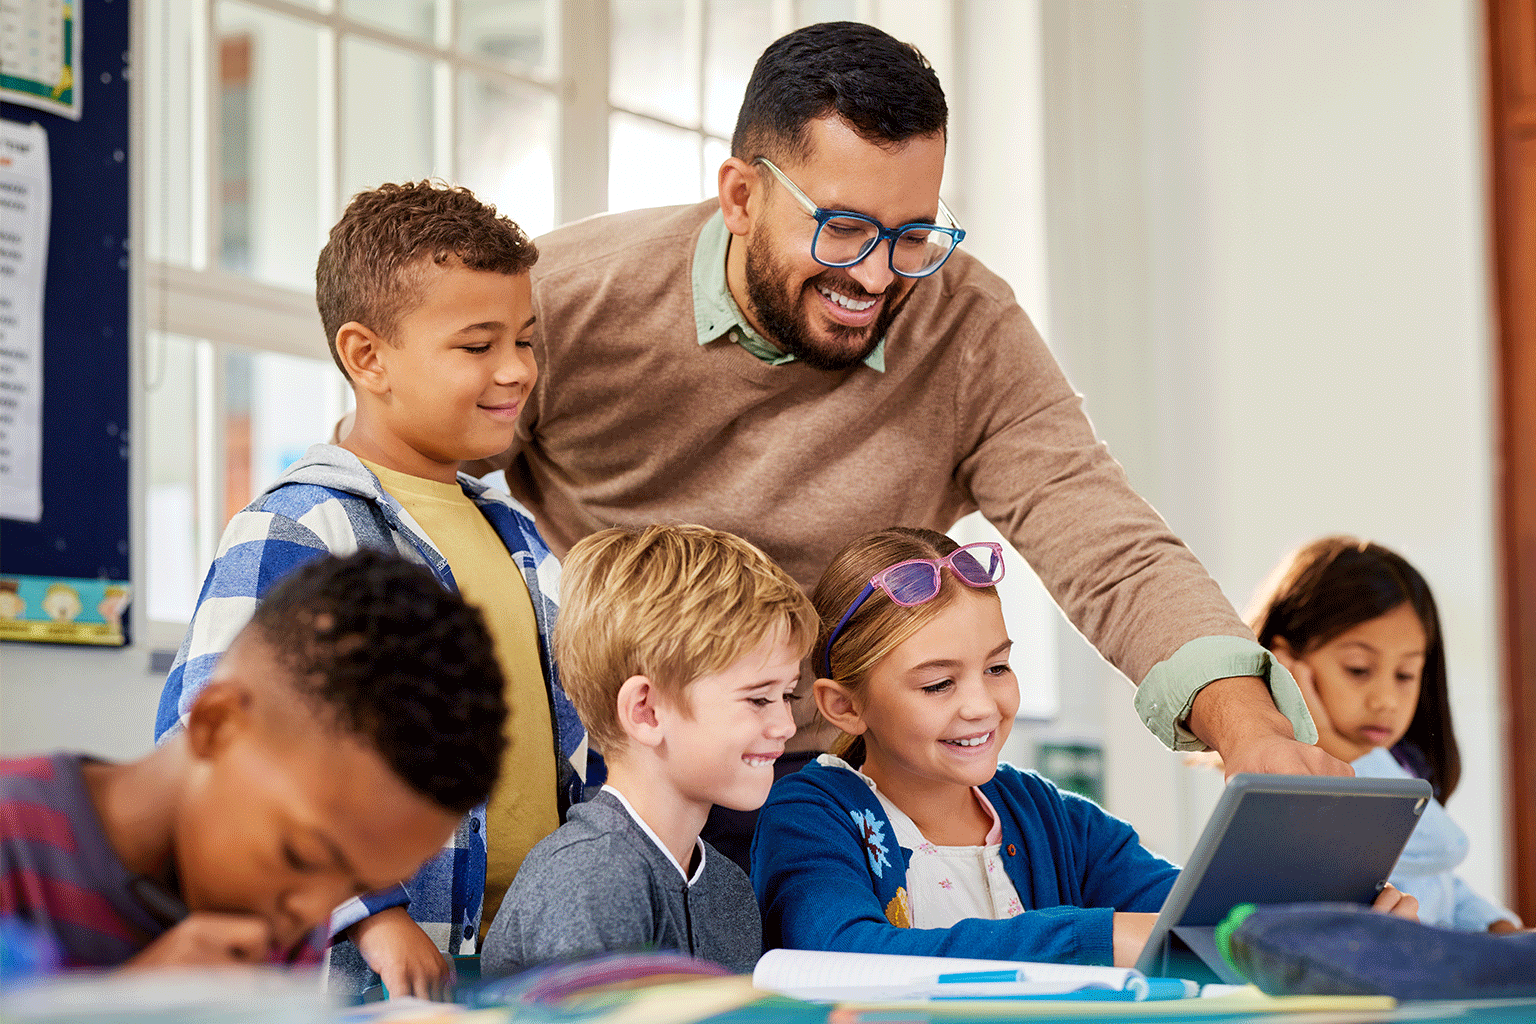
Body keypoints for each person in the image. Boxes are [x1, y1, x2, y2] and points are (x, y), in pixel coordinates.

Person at [475, 21, 1339, 836]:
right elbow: (418, 503)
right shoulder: (564, 300)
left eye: (913, 234)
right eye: (845, 229)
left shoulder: (966, 327)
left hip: (841, 785)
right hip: (615, 778)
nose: (880, 275)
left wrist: (1250, 732)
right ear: (740, 196)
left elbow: (1107, 543)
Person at [154, 181, 586, 997]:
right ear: (367, 356)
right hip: (374, 972)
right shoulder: (297, 530)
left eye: (526, 340)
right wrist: (368, 911)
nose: (516, 370)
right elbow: (210, 749)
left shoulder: (521, 539)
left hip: (519, 961)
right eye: (476, 345)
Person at [751, 528, 1419, 967]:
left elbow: (1190, 919)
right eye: (937, 683)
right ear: (844, 705)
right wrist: (1097, 937)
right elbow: (841, 954)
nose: (982, 704)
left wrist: (1320, 918)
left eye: (998, 667)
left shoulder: (1050, 818)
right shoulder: (811, 812)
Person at [1, 551, 504, 973]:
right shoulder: (14, 840)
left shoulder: (282, 917)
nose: (310, 913)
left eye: (358, 887)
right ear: (215, 723)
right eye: (301, 856)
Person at [482, 525, 817, 974]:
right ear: (646, 711)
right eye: (759, 698)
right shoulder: (590, 878)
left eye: (788, 695)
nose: (786, 725)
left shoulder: (728, 889)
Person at [1248, 536, 1524, 933]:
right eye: (1359, 669)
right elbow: (1445, 847)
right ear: (1288, 665)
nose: (1386, 701)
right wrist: (1334, 745)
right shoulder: (1289, 790)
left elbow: (1437, 882)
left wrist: (1495, 926)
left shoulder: (1401, 764)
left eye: (1405, 674)